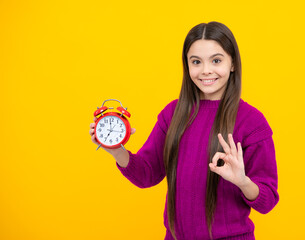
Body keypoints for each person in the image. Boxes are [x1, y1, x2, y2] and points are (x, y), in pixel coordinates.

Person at [89, 21, 279, 240]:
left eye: (216, 60)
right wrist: (115, 149)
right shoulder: (173, 114)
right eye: (196, 62)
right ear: (187, 66)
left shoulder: (252, 122)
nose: (206, 70)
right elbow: (146, 175)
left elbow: (268, 201)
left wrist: (242, 181)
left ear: (233, 63)